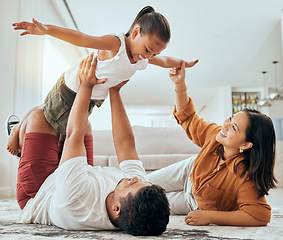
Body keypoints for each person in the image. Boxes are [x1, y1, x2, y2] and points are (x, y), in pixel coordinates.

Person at [9, 5, 198, 156]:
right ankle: (17, 129)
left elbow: (164, 60)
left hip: (91, 98)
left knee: (62, 126)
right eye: (148, 50)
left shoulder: (142, 58)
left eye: (154, 53)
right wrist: (47, 30)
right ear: (135, 33)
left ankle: (20, 127)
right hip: (72, 89)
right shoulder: (116, 44)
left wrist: (183, 63)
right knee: (48, 117)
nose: (149, 56)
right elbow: (83, 39)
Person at [16, 54, 170, 236]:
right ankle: (30, 133)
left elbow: (75, 135)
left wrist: (86, 85)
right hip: (82, 174)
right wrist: (115, 92)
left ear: (116, 209)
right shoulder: (139, 191)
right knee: (83, 124)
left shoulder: (76, 203)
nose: (134, 178)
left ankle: (18, 130)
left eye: (131, 184)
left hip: (40, 191)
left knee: (40, 117)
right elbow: (126, 144)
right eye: (140, 180)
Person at [148, 61, 277, 226]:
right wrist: (180, 84)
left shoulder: (245, 177)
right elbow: (188, 117)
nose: (225, 125)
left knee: (149, 203)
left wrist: (209, 216)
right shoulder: (215, 135)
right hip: (190, 171)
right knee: (143, 185)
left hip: (195, 203)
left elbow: (258, 217)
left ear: (246, 145)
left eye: (233, 127)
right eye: (230, 119)